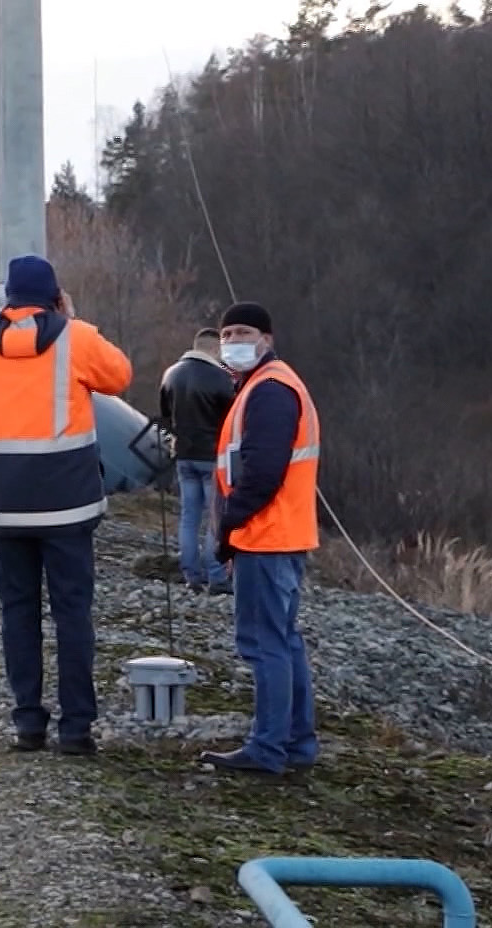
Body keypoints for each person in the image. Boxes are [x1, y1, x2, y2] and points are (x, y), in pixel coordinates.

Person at [0, 255, 133, 755]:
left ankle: (28, 723)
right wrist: (72, 319)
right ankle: (76, 729)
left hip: (4, 505)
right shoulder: (76, 338)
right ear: (56, 296)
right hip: (67, 505)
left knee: (18, 614)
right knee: (73, 615)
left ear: (5, 300)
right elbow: (119, 378)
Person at [200, 301, 322, 775]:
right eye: (227, 333)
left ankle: (269, 747)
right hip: (280, 533)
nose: (233, 341)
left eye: (243, 331)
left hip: (266, 536)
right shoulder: (265, 386)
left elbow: (261, 473)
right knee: (284, 641)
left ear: (267, 339)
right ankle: (294, 743)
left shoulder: (269, 391)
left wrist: (228, 528)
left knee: (264, 643)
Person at [160, 328, 236, 594]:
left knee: (188, 517)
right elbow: (233, 418)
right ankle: (217, 576)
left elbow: (166, 417)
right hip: (213, 456)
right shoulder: (222, 379)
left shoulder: (171, 374)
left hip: (183, 455)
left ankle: (191, 574)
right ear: (215, 350)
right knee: (215, 517)